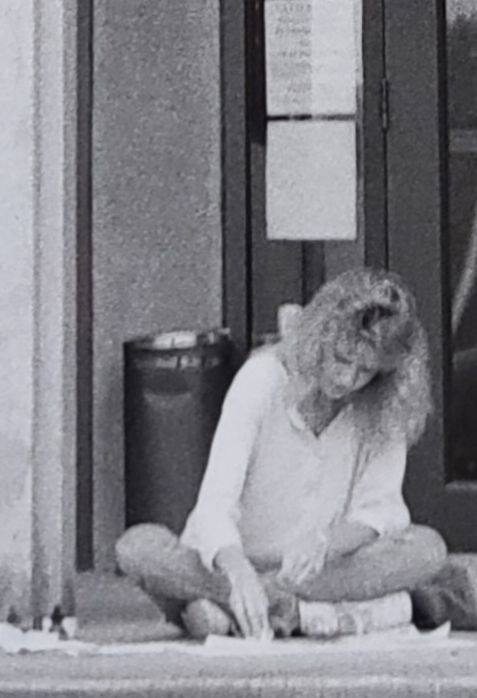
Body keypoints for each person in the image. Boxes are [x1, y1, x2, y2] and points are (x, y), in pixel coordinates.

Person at [115, 267, 448, 640]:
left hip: (321, 570)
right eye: (340, 358)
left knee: (427, 549)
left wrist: (324, 543)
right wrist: (238, 572)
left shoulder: (384, 406)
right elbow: (214, 504)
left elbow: (379, 511)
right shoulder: (262, 379)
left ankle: (233, 612)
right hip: (231, 561)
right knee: (138, 548)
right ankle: (278, 609)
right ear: (319, 338)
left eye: (365, 370)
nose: (346, 378)